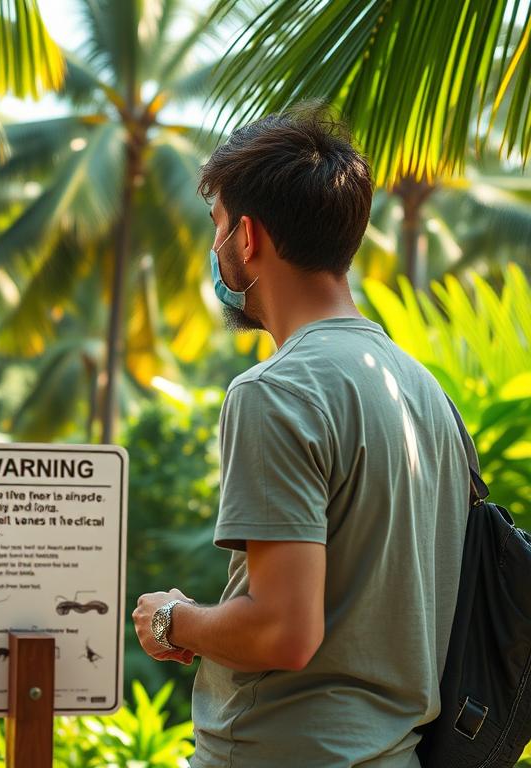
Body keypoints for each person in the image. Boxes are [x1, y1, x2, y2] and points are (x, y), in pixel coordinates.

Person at [131, 108, 472, 767]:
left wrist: (171, 619)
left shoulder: (275, 390)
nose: (216, 246)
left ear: (248, 237)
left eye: (217, 226)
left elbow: (284, 631)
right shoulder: (424, 392)